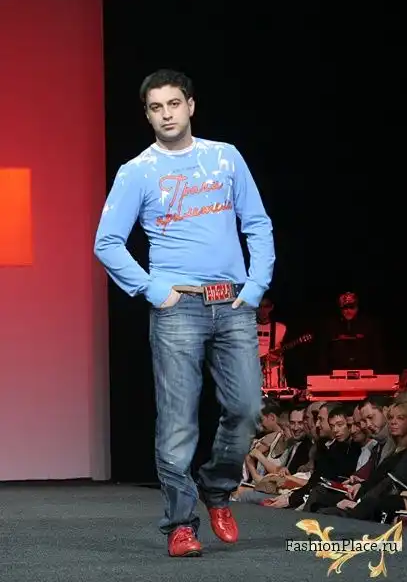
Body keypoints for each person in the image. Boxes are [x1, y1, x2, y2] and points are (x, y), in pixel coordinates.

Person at [94, 69, 275, 557]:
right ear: (147, 114)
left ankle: (217, 487)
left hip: (232, 302)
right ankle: (180, 524)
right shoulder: (137, 171)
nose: (167, 114)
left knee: (247, 409)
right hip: (178, 307)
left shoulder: (225, 157)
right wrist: (154, 291)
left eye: (174, 104)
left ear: (190, 105)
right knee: (177, 422)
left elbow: (257, 223)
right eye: (156, 107)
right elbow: (107, 242)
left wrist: (255, 286)